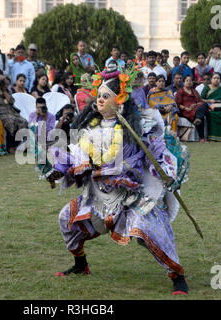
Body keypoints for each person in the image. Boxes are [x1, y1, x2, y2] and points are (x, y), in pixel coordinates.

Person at [48, 63, 190, 296]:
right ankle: (81, 265)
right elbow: (75, 154)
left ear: (120, 100)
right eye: (99, 95)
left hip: (133, 193)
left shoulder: (138, 126)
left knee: (151, 229)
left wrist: (168, 174)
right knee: (67, 218)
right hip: (100, 193)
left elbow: (158, 152)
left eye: (106, 96)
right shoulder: (90, 127)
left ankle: (177, 276)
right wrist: (58, 169)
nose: (100, 100)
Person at [28, 97, 56, 179]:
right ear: (35, 107)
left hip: (48, 140)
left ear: (46, 106)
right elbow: (32, 128)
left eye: (42, 107)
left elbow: (50, 132)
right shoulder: (32, 115)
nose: (40, 109)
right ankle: (43, 165)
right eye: (38, 107)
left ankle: (45, 168)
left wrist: (44, 119)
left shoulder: (51, 116)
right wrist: (37, 117)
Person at [176, 75, 209, 142]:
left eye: (190, 81)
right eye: (187, 81)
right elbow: (178, 104)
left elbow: (200, 101)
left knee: (204, 105)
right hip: (185, 110)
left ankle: (198, 119)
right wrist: (186, 108)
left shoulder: (194, 91)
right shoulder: (180, 91)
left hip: (195, 108)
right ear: (184, 82)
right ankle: (201, 138)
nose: (189, 82)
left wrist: (195, 105)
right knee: (200, 115)